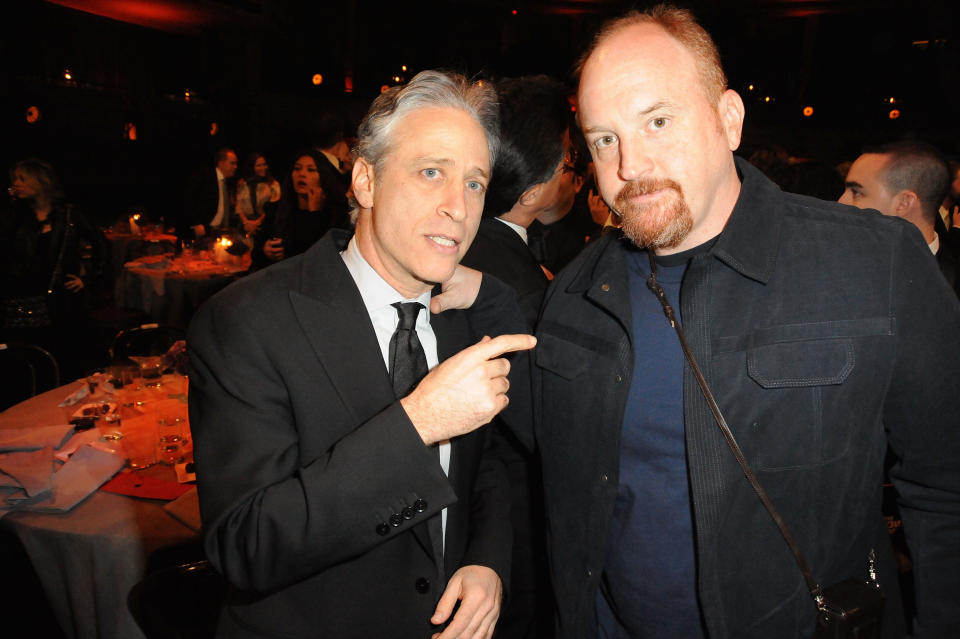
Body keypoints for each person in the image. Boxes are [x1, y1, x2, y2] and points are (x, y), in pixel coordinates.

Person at [526, 5, 958, 638]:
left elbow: (947, 488)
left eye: (658, 121)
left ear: (729, 119)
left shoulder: (875, 264)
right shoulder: (576, 292)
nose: (628, 165)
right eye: (603, 139)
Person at [187, 70, 536, 639]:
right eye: (431, 173)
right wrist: (419, 422)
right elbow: (246, 545)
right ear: (366, 181)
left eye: (475, 183)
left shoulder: (462, 315)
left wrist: (486, 560)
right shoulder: (245, 321)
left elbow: (486, 463)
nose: (458, 206)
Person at [460, 74, 572, 638]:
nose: (576, 179)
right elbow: (543, 421)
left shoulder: (469, 243)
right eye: (568, 168)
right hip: (508, 514)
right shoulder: (516, 285)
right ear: (531, 191)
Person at [1, 158, 107, 380]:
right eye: (14, 179)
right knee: (28, 361)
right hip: (19, 301)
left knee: (66, 356)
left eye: (22, 178)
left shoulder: (69, 215)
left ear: (41, 182)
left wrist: (87, 279)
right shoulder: (14, 216)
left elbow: (101, 245)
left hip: (59, 300)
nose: (16, 184)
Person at [839, 140, 960, 296]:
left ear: (904, 202)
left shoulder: (952, 285)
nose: (841, 202)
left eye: (857, 192)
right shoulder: (840, 264)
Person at [252, 149, 352, 268]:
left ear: (323, 176)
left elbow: (319, 256)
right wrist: (265, 250)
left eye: (311, 170)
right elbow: (255, 254)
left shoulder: (337, 213)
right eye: (297, 169)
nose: (302, 174)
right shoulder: (276, 210)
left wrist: (314, 213)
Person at [180, 147, 238, 239]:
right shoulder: (205, 176)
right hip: (203, 229)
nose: (235, 167)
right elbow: (188, 197)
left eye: (236, 163)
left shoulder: (228, 182)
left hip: (220, 231)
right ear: (221, 163)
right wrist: (196, 222)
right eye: (232, 163)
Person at [235, 152, 281, 234]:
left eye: (264, 164)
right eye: (259, 165)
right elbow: (238, 206)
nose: (263, 168)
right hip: (245, 225)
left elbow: (273, 207)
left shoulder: (273, 184)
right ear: (252, 167)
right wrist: (246, 222)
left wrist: (257, 222)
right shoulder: (243, 184)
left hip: (265, 224)